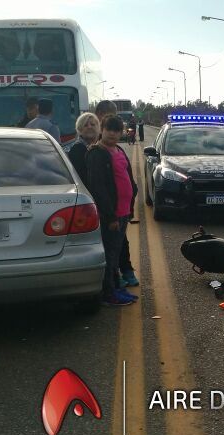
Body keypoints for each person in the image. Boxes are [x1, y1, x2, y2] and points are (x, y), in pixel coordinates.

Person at [85, 115, 139, 307]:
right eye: (110, 129)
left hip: (123, 211)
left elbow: (128, 179)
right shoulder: (96, 153)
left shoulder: (119, 150)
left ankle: (116, 288)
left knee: (115, 254)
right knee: (109, 255)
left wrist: (130, 205)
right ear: (102, 130)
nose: (113, 134)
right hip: (112, 215)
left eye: (117, 130)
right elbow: (98, 188)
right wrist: (110, 216)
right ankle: (109, 294)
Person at [68, 112, 100, 188]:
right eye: (85, 125)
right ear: (79, 129)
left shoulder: (99, 147)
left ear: (98, 127)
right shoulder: (77, 149)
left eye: (92, 124)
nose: (89, 127)